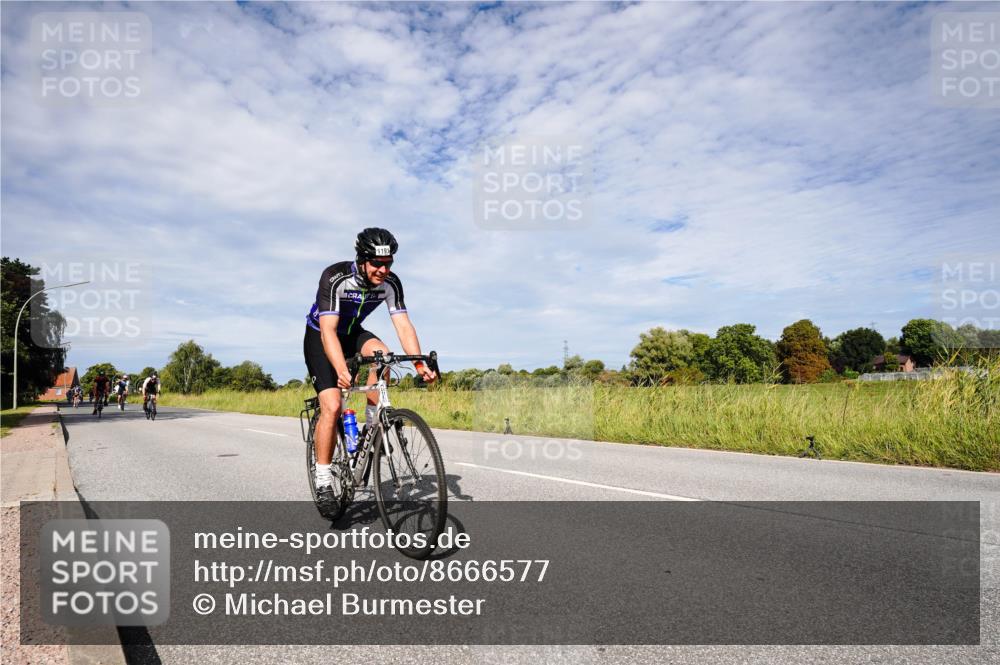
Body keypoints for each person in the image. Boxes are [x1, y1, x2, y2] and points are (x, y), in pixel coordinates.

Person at [303, 228, 436, 513]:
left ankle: (371, 424)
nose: (383, 269)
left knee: (384, 356)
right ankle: (324, 479)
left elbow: (403, 324)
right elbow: (328, 331)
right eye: (377, 263)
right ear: (362, 260)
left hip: (353, 334)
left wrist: (419, 363)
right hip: (321, 336)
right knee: (332, 404)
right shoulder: (336, 278)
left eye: (388, 263)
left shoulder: (391, 283)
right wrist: (340, 368)